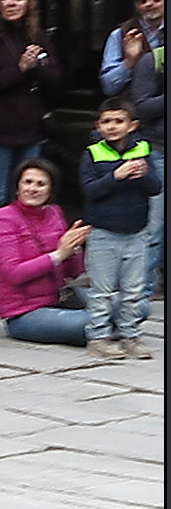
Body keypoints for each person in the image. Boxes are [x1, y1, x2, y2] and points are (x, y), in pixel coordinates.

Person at [0, 0, 63, 280]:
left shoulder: (37, 36)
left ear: (27, 5)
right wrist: (19, 69)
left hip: (30, 130)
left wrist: (38, 67)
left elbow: (57, 79)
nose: (12, 4)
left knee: (30, 196)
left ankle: (27, 256)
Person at [78, 98, 161, 360]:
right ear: (98, 126)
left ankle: (130, 336)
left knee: (133, 290)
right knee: (101, 291)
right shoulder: (92, 153)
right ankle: (98, 337)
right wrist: (116, 176)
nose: (112, 126)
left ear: (132, 125)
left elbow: (156, 187)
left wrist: (144, 174)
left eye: (118, 121)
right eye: (106, 121)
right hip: (104, 233)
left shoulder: (143, 149)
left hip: (136, 232)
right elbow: (89, 190)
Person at [0, 159, 94, 346]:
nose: (33, 189)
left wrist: (74, 248)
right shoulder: (2, 219)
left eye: (41, 184)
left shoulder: (54, 212)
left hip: (60, 298)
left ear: (50, 190)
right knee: (94, 321)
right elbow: (15, 274)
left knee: (135, 306)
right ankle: (107, 327)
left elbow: (72, 273)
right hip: (25, 311)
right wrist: (58, 255)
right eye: (27, 182)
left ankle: (107, 327)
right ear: (17, 187)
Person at [131, 43, 165, 293]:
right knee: (154, 226)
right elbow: (142, 108)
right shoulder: (153, 60)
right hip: (159, 150)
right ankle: (143, 288)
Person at [100, 0, 164, 96]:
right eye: (143, 0)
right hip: (133, 107)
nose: (149, 4)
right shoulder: (120, 34)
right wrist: (130, 61)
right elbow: (108, 87)